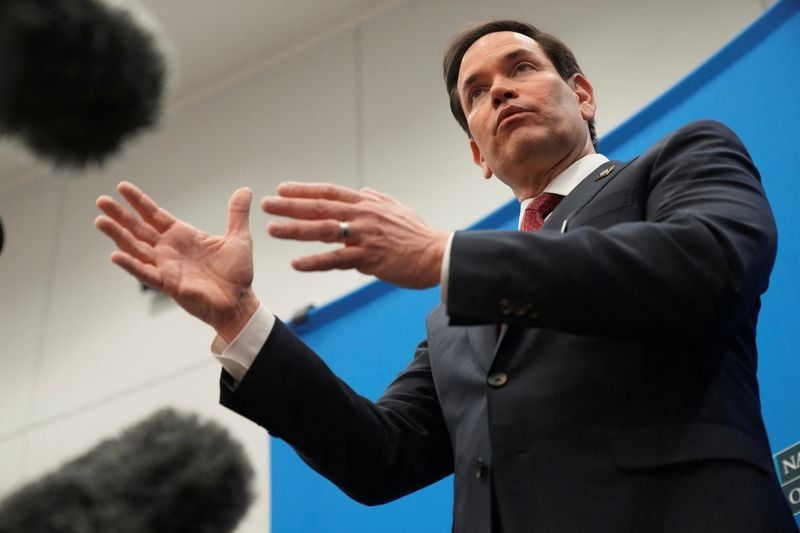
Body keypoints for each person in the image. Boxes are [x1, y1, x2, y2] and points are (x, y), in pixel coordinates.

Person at [95, 20, 798, 533]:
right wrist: (238, 319)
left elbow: (710, 265)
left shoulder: (681, 158)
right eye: (477, 93)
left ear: (582, 95)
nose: (500, 92)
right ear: (478, 157)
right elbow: (380, 456)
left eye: (521, 68)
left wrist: (448, 257)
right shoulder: (457, 318)